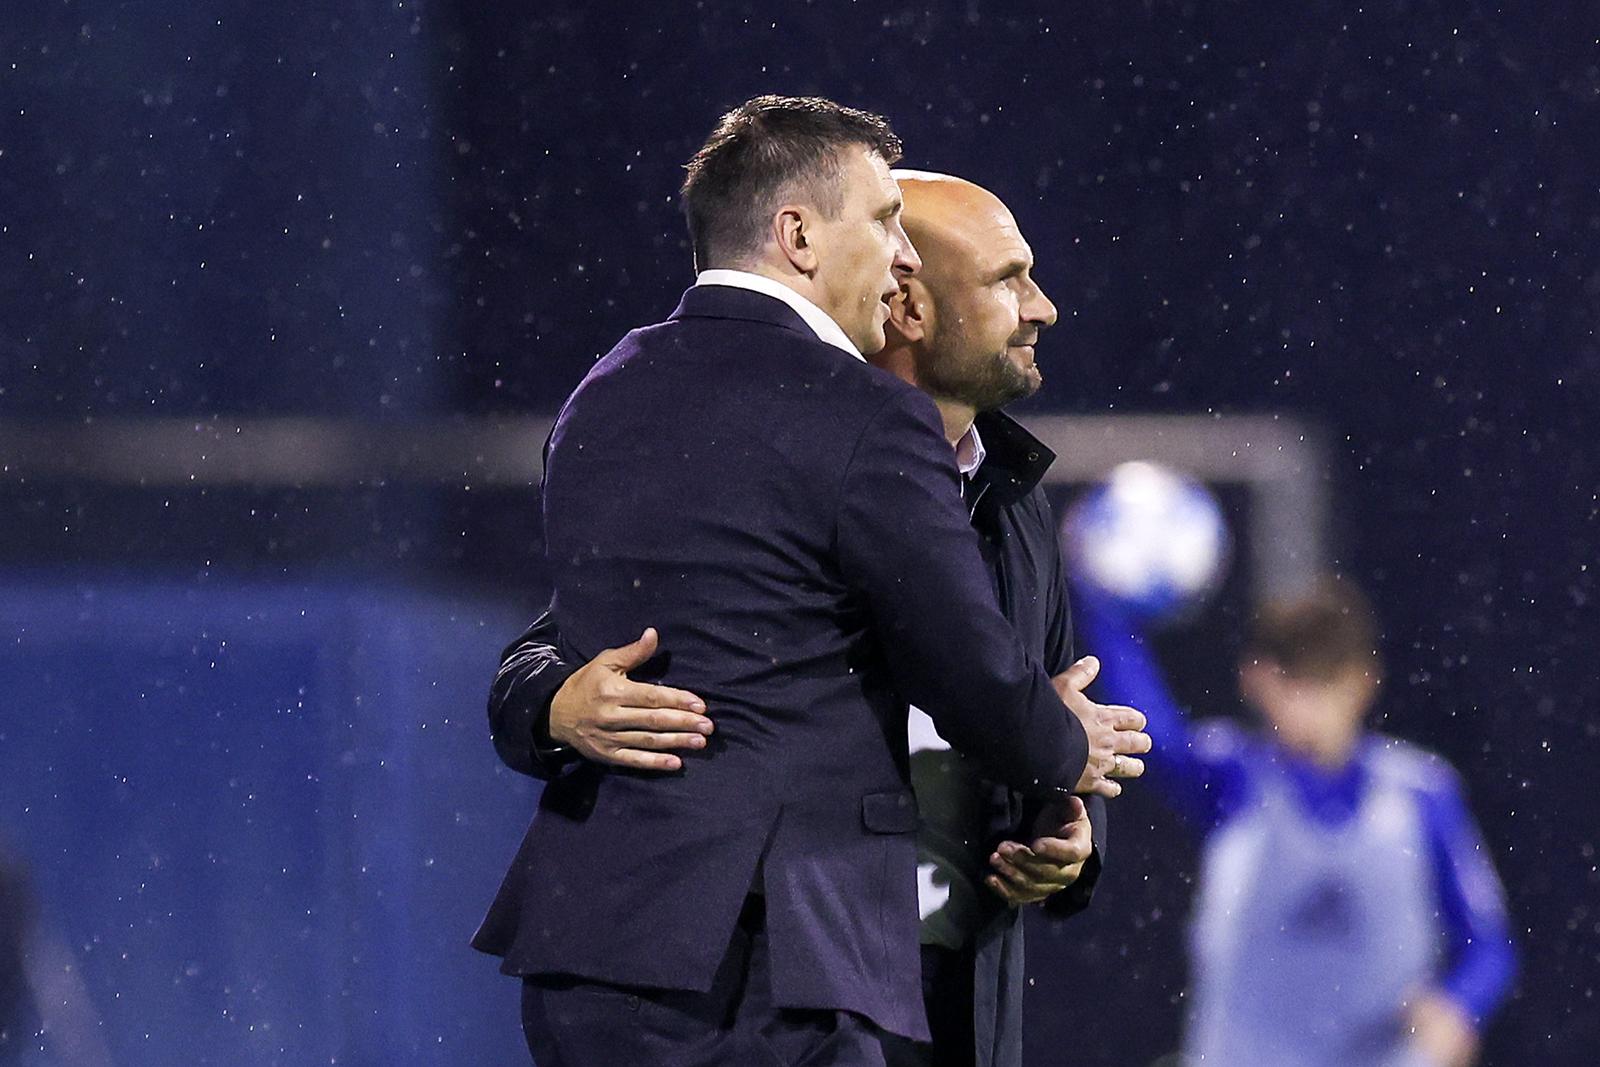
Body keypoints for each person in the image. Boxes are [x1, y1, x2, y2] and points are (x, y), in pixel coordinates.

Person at [473, 96, 1148, 1067]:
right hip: (775, 959)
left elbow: (633, 610)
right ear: (797, 233)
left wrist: (1067, 822)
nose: (898, 255)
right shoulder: (862, 418)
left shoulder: (606, 389)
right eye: (882, 224)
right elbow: (974, 677)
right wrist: (1061, 739)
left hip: (601, 937)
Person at [1079, 578, 1517, 1067]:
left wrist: (1458, 1007)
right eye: (1292, 682)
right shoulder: (1233, 778)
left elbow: (1489, 948)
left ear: (1362, 681)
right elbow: (1147, 731)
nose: (1308, 704)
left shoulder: (1422, 794)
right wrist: (1105, 603)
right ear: (1257, 680)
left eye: (1325, 682)